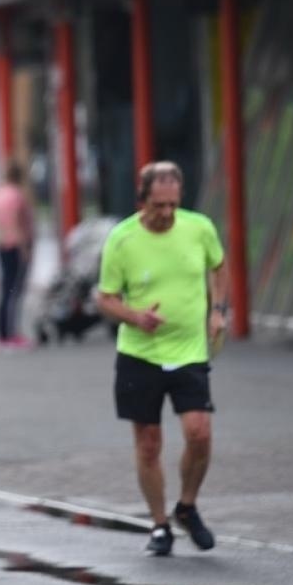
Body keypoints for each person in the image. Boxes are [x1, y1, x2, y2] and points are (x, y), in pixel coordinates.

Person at [96, 161, 229, 557]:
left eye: (173, 205)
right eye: (159, 206)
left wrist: (218, 308)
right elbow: (104, 298)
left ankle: (186, 507)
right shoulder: (122, 239)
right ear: (142, 200)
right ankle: (158, 526)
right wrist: (136, 317)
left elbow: (218, 267)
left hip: (189, 351)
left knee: (199, 433)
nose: (167, 213)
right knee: (149, 443)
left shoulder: (199, 228)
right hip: (140, 353)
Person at [0, 161, 36, 349]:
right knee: (14, 291)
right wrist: (24, 249)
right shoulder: (16, 195)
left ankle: (1, 334)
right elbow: (15, 223)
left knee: (5, 289)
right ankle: (12, 334)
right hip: (15, 245)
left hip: (0, 245)